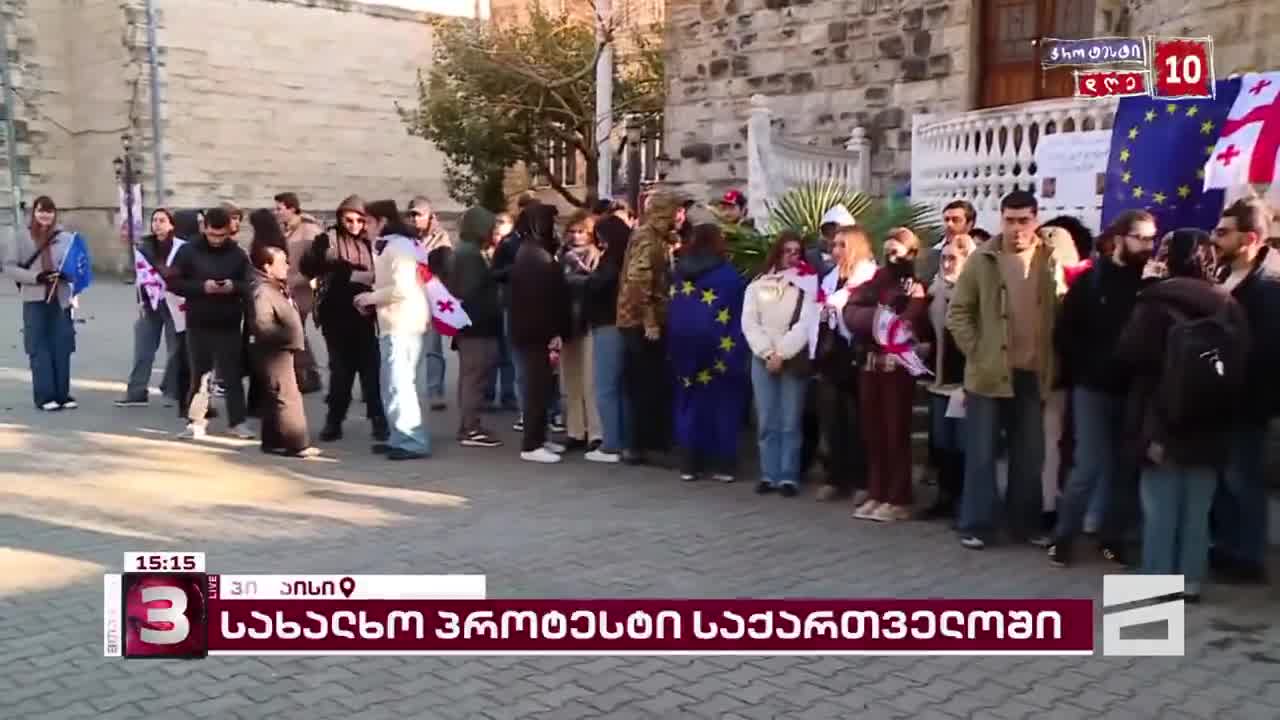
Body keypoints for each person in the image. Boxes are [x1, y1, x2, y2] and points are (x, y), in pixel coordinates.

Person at [1116, 229, 1248, 601]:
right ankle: (1191, 579)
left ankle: (1158, 578)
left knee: (1159, 504)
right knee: (1197, 505)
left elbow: (1130, 354)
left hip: (1160, 414)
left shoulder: (1156, 299)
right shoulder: (1227, 303)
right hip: (1212, 417)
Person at [946, 190, 1057, 549]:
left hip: (1032, 371)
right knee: (981, 454)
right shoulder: (982, 259)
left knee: (1030, 454)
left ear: (1036, 220)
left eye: (1024, 220)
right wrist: (978, 352)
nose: (1016, 228)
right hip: (989, 374)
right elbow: (958, 313)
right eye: (1009, 220)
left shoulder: (1049, 259)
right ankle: (978, 524)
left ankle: (1025, 524)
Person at [1045, 210, 1153, 567]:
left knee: (1124, 468)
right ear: (1120, 238)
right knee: (1088, 466)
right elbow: (1064, 334)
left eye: (1152, 238)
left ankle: (1114, 538)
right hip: (1092, 388)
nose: (1147, 245)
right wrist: (1086, 367)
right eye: (1140, 237)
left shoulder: (1149, 284)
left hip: (1133, 390)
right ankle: (1064, 537)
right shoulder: (1092, 281)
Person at [1211, 198, 1280, 584]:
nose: (1214, 239)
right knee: (1224, 479)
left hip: (1247, 402)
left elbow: (1266, 352)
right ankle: (1226, 547)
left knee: (1243, 480)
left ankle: (1249, 557)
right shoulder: (1224, 275)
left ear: (1250, 238)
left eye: (1223, 232)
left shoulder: (1269, 287)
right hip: (1218, 402)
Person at [845, 228, 929, 522]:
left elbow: (905, 323)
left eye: (897, 252)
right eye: (887, 251)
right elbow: (852, 311)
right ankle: (877, 492)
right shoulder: (875, 282)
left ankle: (899, 497)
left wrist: (879, 321)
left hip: (897, 368)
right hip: (870, 364)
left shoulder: (915, 287)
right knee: (873, 432)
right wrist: (875, 320)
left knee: (896, 433)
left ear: (911, 253)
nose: (891, 257)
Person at [299, 195, 388, 444]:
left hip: (365, 315)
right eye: (349, 220)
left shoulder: (372, 242)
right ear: (340, 217)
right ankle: (334, 422)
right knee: (341, 371)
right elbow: (308, 268)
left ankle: (378, 421)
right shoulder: (328, 238)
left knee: (371, 371)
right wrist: (325, 258)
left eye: (360, 220)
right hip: (335, 314)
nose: (354, 225)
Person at [668, 221, 750, 482]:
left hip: (684, 344)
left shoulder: (680, 271)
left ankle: (690, 462)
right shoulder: (727, 275)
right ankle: (723, 464)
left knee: (689, 400)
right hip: (720, 346)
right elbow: (737, 313)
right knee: (723, 401)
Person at [742, 231, 819, 496]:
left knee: (790, 420)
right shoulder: (757, 285)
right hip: (761, 356)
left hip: (790, 357)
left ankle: (788, 475)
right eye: (786, 251)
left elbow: (805, 323)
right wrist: (766, 352)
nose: (791, 256)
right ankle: (768, 473)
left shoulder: (807, 286)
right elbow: (749, 323)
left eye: (796, 251)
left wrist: (782, 353)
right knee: (766, 419)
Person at [352, 200, 430, 460]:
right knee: (392, 384)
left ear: (382, 221)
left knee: (400, 385)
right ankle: (399, 436)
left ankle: (411, 440)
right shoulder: (392, 245)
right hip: (394, 323)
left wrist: (369, 298)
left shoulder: (399, 247)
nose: (364, 228)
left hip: (404, 324)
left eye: (368, 222)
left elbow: (402, 288)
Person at [171, 206, 253, 439]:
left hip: (228, 322)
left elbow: (250, 285)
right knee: (200, 375)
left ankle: (237, 422)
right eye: (213, 234)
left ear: (230, 230)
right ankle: (196, 421)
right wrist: (201, 287)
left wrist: (233, 286)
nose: (217, 240)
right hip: (198, 321)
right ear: (204, 228)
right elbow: (174, 282)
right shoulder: (188, 251)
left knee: (232, 376)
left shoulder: (238, 254)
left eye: (222, 235)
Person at [616, 191, 685, 464]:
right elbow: (638, 280)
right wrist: (649, 321)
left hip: (650, 317)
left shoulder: (659, 238)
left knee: (653, 383)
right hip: (639, 322)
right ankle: (636, 445)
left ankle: (651, 441)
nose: (679, 216)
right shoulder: (646, 237)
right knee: (643, 384)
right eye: (675, 210)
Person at [813, 225, 877, 503]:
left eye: (841, 245)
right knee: (832, 419)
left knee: (858, 421)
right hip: (832, 353)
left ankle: (862, 481)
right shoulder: (829, 278)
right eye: (833, 245)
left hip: (857, 353)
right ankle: (834, 476)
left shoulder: (868, 277)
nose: (835, 250)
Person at [3, 196, 81, 411]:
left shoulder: (66, 238)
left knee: (62, 345)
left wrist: (69, 275)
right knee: (39, 346)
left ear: (55, 213)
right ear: (33, 212)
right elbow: (9, 267)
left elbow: (77, 264)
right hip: (35, 298)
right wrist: (36, 277)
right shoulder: (21, 237)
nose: (45, 215)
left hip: (61, 297)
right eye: (40, 211)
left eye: (49, 211)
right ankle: (45, 396)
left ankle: (62, 394)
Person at [509, 203, 571, 463]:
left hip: (533, 331)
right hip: (533, 333)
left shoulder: (534, 252)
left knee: (542, 387)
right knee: (535, 388)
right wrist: (553, 331)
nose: (554, 228)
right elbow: (543, 301)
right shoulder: (534, 255)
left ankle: (540, 437)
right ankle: (531, 444)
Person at [246, 244, 320, 458]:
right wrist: (287, 336)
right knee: (287, 396)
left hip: (279, 349)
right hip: (274, 351)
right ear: (268, 267)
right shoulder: (263, 291)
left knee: (273, 395)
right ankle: (297, 443)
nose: (288, 266)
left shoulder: (274, 287)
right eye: (283, 263)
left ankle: (272, 441)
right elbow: (262, 324)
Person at [922, 233, 974, 518]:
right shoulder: (935, 290)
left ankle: (963, 500)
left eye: (953, 258)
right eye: (944, 258)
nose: (948, 263)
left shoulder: (972, 293)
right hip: (937, 378)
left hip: (962, 378)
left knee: (961, 443)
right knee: (941, 442)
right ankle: (944, 497)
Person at [117, 208, 187, 409]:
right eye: (155, 220)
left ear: (172, 224)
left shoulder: (181, 247)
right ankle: (136, 392)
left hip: (174, 303)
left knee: (176, 349)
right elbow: (140, 278)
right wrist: (141, 301)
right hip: (150, 304)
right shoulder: (144, 246)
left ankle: (171, 390)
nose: (157, 224)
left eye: (162, 220)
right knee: (143, 349)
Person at [447, 205, 504, 448]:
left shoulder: (467, 251)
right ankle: (470, 428)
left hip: (471, 327)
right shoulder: (469, 255)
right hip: (477, 328)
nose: (493, 232)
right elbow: (470, 293)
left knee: (470, 377)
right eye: (491, 227)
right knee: (475, 378)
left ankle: (469, 425)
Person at [585, 215, 632, 463]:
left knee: (605, 387)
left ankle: (611, 445)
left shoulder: (611, 260)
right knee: (621, 387)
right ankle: (623, 441)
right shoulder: (630, 256)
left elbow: (596, 286)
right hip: (625, 325)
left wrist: (582, 281)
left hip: (607, 324)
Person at [273, 191, 323, 394]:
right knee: (295, 331)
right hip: (288, 287)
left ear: (292, 208)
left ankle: (307, 374)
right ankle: (306, 374)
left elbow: (317, 262)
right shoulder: (287, 230)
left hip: (301, 289)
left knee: (295, 331)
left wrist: (298, 279)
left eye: (279, 208)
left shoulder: (308, 231)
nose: (277, 213)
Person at [408, 196, 452, 410]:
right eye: (412, 215)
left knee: (433, 348)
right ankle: (404, 388)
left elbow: (445, 267)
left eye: (419, 215)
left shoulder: (441, 238)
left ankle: (435, 391)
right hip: (407, 298)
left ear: (429, 216)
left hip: (431, 298)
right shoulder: (405, 237)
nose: (414, 219)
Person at [484, 212, 520, 412]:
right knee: (491, 354)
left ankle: (508, 395)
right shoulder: (486, 250)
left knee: (507, 353)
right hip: (491, 306)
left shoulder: (512, 246)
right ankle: (488, 395)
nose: (498, 227)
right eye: (496, 223)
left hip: (505, 303)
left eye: (503, 223)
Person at [917, 200, 976, 285]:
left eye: (955, 220)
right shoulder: (932, 253)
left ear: (969, 224)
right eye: (946, 219)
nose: (949, 224)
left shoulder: (978, 256)